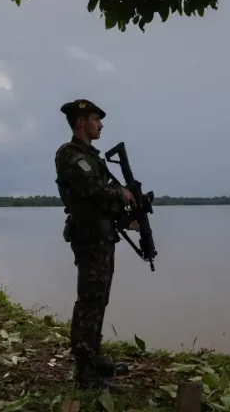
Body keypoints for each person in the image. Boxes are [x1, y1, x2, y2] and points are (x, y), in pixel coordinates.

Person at [54, 98, 139, 391]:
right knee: (89, 302)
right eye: (95, 119)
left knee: (99, 299)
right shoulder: (70, 154)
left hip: (102, 236)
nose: (100, 125)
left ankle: (95, 358)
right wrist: (122, 193)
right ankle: (85, 373)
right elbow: (91, 190)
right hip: (89, 237)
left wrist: (127, 220)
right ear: (81, 122)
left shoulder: (92, 157)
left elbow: (103, 203)